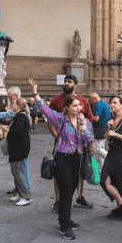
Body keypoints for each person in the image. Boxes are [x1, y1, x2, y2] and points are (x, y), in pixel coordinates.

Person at [29, 78, 93, 240]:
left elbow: (88, 139)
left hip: (77, 160)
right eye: (75, 106)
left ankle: (64, 219)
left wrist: (83, 127)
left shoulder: (84, 121)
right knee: (65, 192)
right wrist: (35, 92)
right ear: (67, 108)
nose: (79, 108)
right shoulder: (60, 119)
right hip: (62, 159)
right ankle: (64, 226)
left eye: (80, 105)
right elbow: (43, 109)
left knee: (70, 191)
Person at [48, 75, 95, 213]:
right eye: (65, 81)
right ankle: (58, 200)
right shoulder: (57, 100)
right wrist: (57, 135)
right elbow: (49, 120)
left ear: (75, 85)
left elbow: (90, 120)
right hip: (62, 143)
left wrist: (91, 143)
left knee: (80, 170)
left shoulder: (84, 101)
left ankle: (80, 196)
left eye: (69, 82)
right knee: (58, 171)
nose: (66, 83)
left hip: (80, 142)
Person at [101, 95, 122, 220]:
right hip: (112, 152)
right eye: (111, 102)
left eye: (115, 102)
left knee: (120, 181)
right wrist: (109, 128)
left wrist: (115, 134)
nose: (112, 104)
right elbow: (107, 137)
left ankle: (119, 207)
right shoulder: (113, 118)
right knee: (104, 179)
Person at [6, 98, 33, 206]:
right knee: (19, 171)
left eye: (13, 103)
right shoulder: (21, 116)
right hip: (20, 147)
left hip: (19, 148)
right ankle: (20, 193)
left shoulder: (21, 116)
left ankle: (26, 196)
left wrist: (8, 130)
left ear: (17, 106)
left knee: (17, 171)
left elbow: (18, 131)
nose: (12, 105)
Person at [89, 93, 111, 168]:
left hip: (99, 128)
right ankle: (102, 170)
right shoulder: (105, 103)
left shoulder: (98, 105)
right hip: (104, 127)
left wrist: (89, 117)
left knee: (97, 148)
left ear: (94, 98)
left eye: (91, 100)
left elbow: (96, 118)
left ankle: (110, 158)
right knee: (101, 147)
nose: (92, 102)